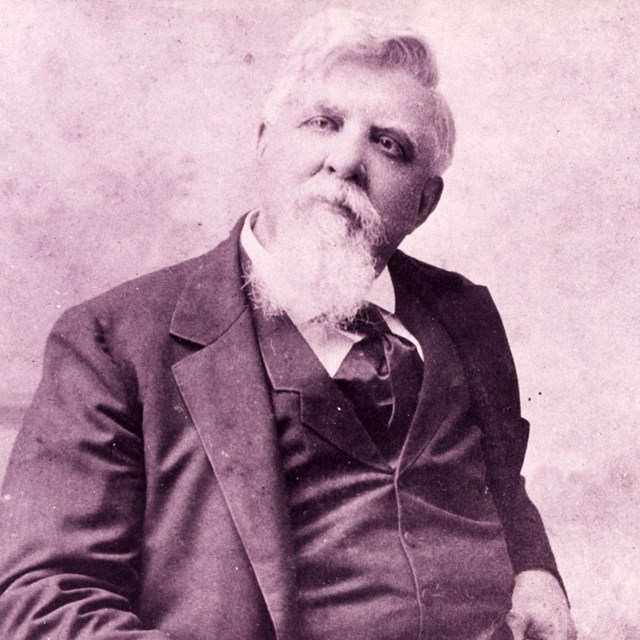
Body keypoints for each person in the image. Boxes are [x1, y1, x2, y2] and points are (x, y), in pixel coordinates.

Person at [0, 9, 576, 640]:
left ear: (424, 203)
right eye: (323, 123)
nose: (345, 161)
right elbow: (45, 599)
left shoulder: (464, 316)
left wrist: (538, 573)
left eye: (389, 145)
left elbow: (504, 493)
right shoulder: (114, 340)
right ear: (265, 140)